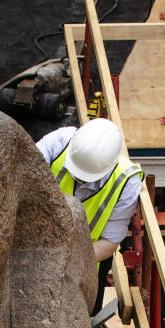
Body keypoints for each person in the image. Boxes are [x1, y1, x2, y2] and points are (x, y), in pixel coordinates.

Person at [36, 118, 144, 315]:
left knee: (82, 318)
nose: (77, 178)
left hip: (88, 261)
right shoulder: (58, 143)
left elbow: (110, 241)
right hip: (35, 245)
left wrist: (65, 260)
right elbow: (20, 178)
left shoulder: (126, 182)